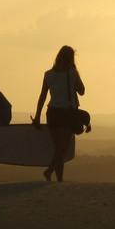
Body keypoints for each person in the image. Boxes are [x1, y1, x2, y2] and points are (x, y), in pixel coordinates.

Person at [31, 45, 85, 182]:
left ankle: (59, 179)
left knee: (58, 148)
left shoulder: (48, 74)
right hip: (67, 113)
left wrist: (38, 116)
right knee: (63, 149)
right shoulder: (72, 73)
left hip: (52, 112)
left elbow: (42, 96)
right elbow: (82, 90)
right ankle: (49, 172)